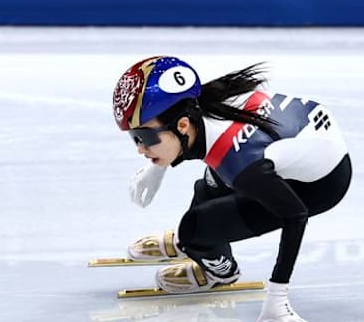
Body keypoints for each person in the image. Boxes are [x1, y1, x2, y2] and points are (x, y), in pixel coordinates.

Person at [112, 56, 351, 322]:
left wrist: (277, 299)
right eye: (135, 138)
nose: (139, 149)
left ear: (182, 125)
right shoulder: (203, 105)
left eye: (144, 138)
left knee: (195, 228)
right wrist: (156, 167)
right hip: (299, 148)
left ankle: (220, 272)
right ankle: (193, 246)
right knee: (208, 187)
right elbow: (181, 141)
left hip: (319, 186)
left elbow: (295, 216)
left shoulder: (241, 163)